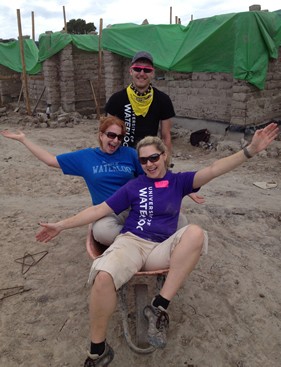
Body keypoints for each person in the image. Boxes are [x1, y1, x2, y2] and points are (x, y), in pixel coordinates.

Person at [36, 123, 278, 367]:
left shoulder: (179, 182)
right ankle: (98, 351)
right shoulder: (134, 185)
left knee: (195, 232)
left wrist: (250, 150)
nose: (149, 164)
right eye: (143, 161)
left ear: (164, 156)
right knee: (103, 277)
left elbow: (214, 169)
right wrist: (61, 225)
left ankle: (159, 306)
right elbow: (99, 209)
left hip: (161, 248)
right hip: (132, 242)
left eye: (154, 157)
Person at [1, 116, 144, 245]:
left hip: (133, 207)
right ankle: (138, 240)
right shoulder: (86, 157)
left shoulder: (130, 153)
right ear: (101, 135)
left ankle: (132, 240)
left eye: (120, 137)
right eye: (111, 135)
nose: (116, 140)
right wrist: (24, 140)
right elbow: (51, 160)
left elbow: (147, 179)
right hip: (106, 212)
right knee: (102, 233)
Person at [105, 50, 204, 206]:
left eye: (147, 70)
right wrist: (107, 160)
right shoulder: (117, 100)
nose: (142, 73)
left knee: (153, 201)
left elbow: (165, 136)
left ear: (152, 73)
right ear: (131, 71)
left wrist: (167, 166)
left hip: (148, 159)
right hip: (122, 158)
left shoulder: (162, 100)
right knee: (118, 201)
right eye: (138, 68)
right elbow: (107, 135)